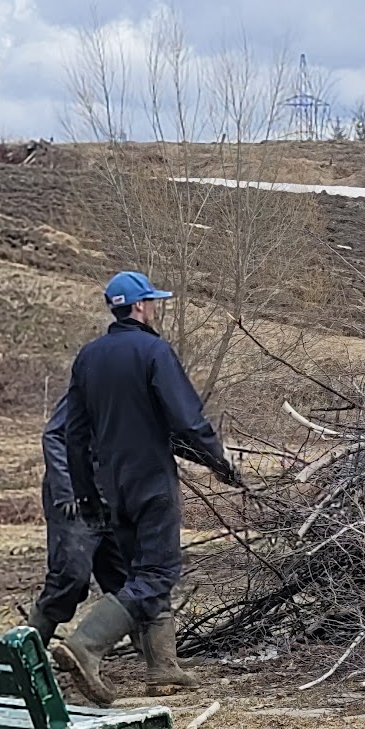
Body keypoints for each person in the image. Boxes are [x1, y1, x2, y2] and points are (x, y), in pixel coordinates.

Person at [60, 269, 242, 704]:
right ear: (139, 306)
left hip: (110, 485)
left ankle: (163, 668)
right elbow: (186, 420)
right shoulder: (153, 351)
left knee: (142, 571)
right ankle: (85, 645)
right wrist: (220, 463)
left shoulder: (89, 357)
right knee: (157, 572)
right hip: (151, 481)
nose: (157, 308)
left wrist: (87, 493)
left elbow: (74, 434)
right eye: (154, 302)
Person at [27, 392, 129, 646]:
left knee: (129, 581)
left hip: (114, 498)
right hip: (78, 497)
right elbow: (54, 436)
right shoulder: (89, 390)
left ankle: (157, 663)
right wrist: (67, 491)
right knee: (70, 576)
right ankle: (27, 652)